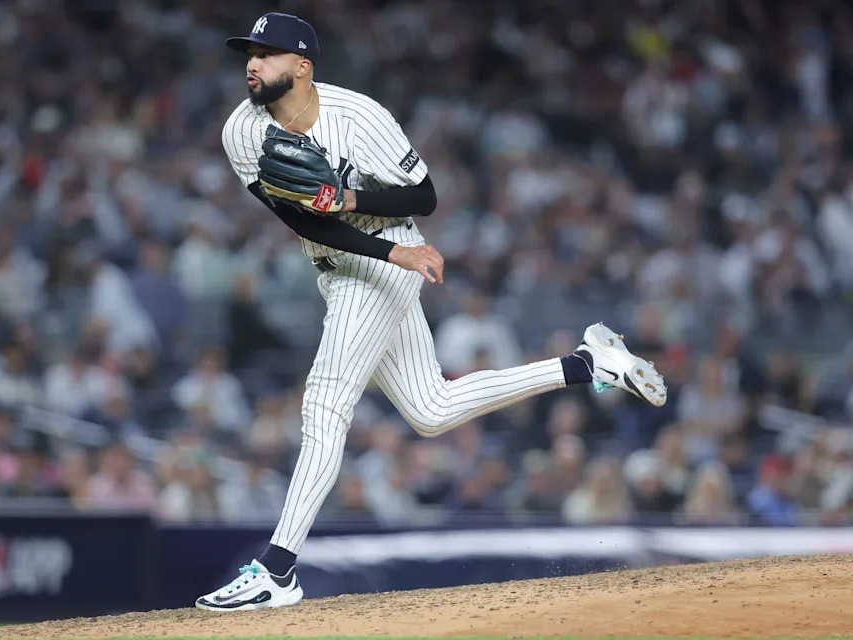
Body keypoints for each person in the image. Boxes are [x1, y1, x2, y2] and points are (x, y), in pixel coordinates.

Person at [196, 12, 668, 613]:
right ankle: (584, 364)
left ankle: (278, 570)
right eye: (248, 53)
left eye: (266, 53)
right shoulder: (241, 131)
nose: (252, 63)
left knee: (325, 401)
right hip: (356, 258)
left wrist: (361, 206)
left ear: (303, 65)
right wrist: (387, 247)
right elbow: (299, 219)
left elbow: (426, 196)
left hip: (385, 258)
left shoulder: (360, 118)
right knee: (430, 410)